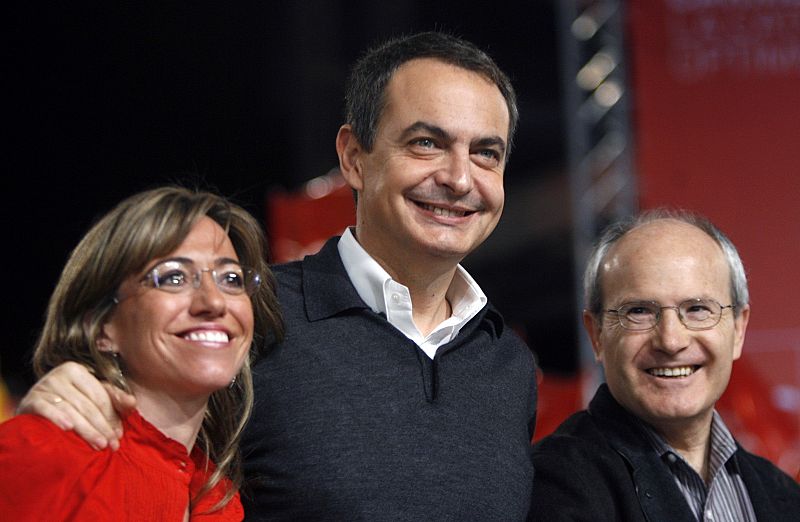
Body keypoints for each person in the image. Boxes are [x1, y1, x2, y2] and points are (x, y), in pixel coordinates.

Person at [15, 32, 538, 520]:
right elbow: (135, 436)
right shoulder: (247, 324)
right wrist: (71, 391)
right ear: (354, 157)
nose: (459, 177)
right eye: (426, 143)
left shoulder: (509, 365)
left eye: (485, 153)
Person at [0, 186, 283, 520]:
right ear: (102, 326)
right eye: (174, 277)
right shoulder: (43, 453)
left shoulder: (219, 499)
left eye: (231, 279)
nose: (214, 302)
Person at [530, 209, 800, 521]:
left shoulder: (785, 497)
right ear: (597, 335)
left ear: (738, 329)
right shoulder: (552, 486)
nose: (671, 340)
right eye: (639, 311)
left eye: (698, 309)